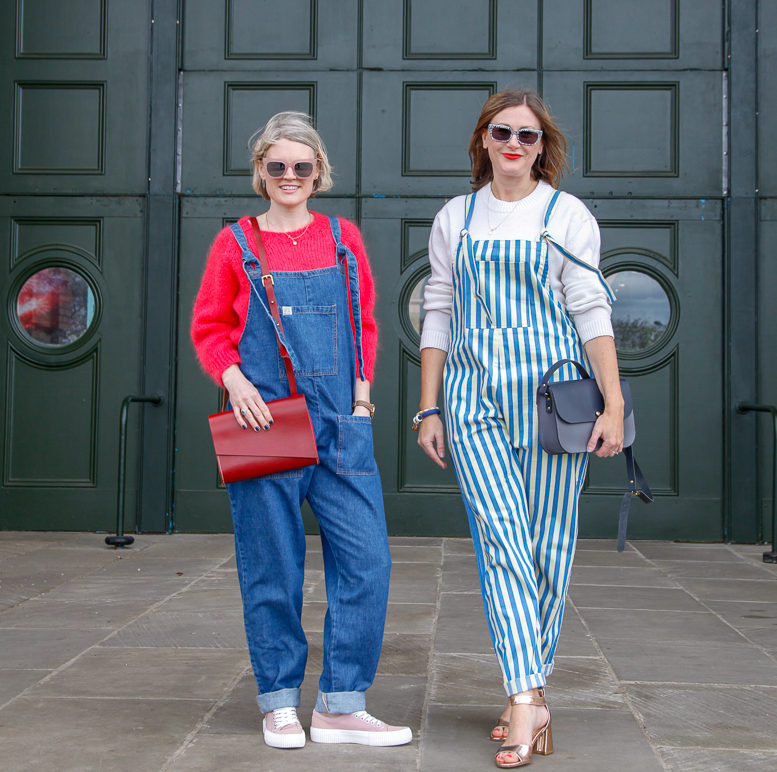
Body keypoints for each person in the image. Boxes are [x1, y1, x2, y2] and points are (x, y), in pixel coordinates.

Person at [416, 89, 623, 769]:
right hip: (473, 400)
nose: (513, 144)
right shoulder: (456, 216)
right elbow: (439, 312)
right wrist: (429, 406)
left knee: (546, 549)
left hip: (552, 403)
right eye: (501, 132)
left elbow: (590, 310)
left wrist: (613, 405)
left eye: (527, 136)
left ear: (542, 146)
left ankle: (524, 696)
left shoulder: (567, 214)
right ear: (482, 139)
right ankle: (528, 698)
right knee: (501, 540)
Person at [191, 111, 411, 750]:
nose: (290, 176)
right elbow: (210, 328)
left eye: (302, 167)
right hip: (262, 420)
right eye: (277, 165)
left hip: (342, 421)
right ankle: (280, 702)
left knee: (367, 562)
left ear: (319, 175)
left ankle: (342, 704)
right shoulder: (235, 243)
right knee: (272, 567)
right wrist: (235, 383)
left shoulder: (345, 239)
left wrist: (364, 402)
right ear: (260, 172)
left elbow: (364, 325)